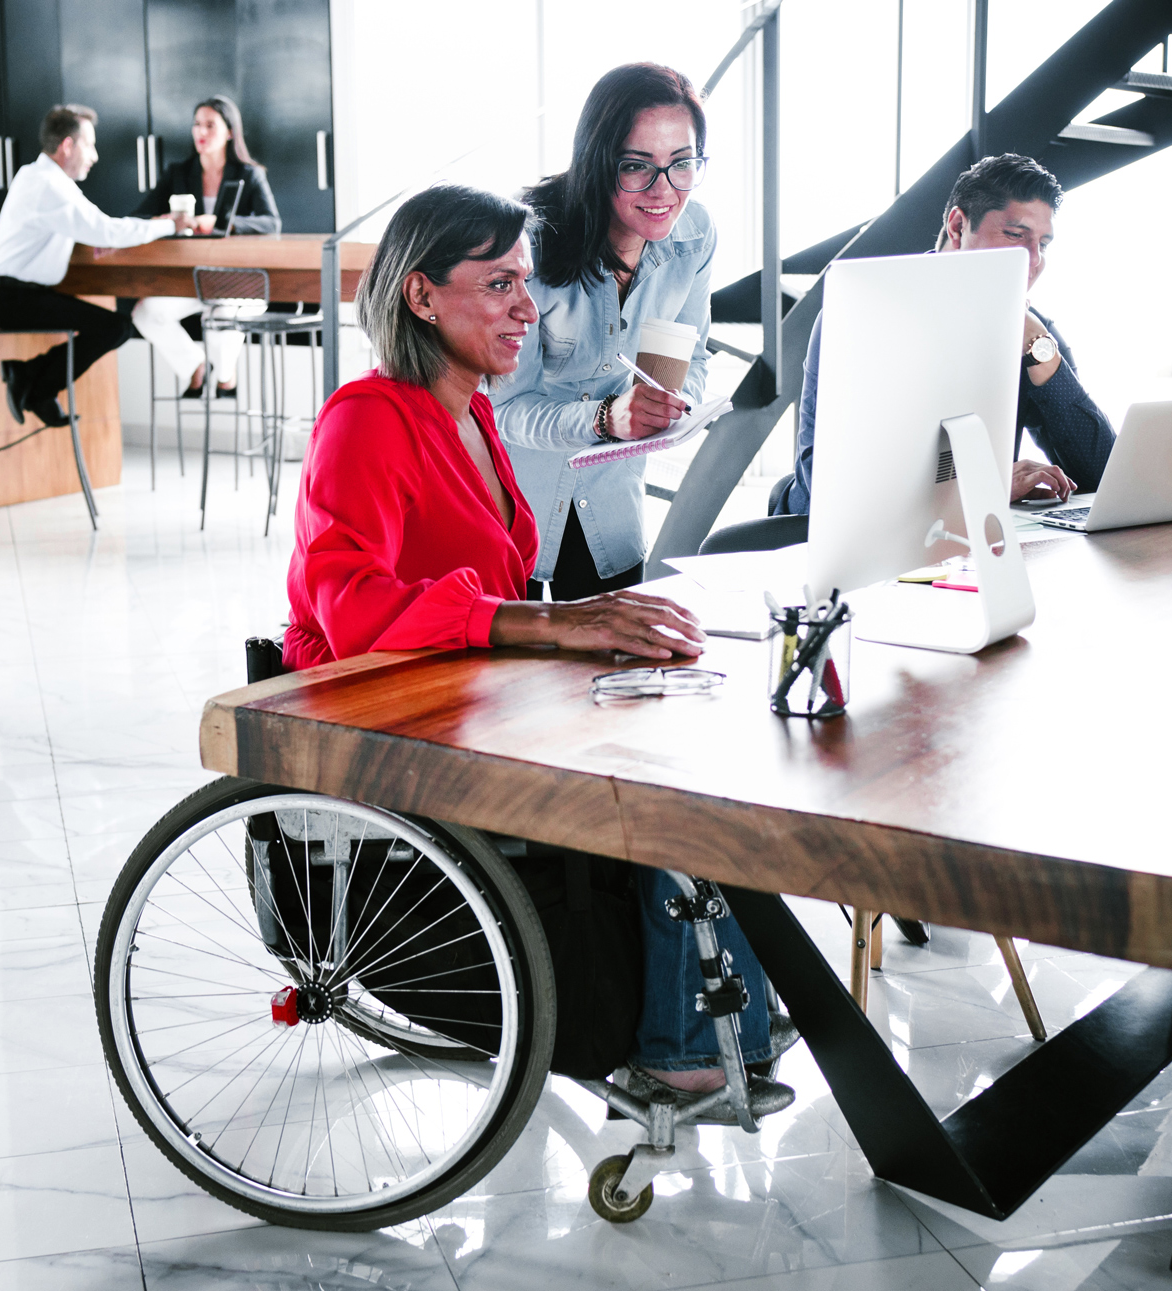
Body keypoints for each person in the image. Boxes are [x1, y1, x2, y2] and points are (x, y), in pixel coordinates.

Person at [284, 183, 789, 1105]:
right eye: (500, 284)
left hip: (473, 694)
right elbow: (352, 608)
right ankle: (684, 1044)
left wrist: (591, 634)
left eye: (526, 281)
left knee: (698, 723)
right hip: (397, 721)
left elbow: (497, 591)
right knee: (667, 782)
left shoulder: (474, 413)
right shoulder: (367, 418)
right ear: (420, 294)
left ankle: (726, 1008)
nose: (529, 307)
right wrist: (557, 624)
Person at [776, 152, 1117, 514]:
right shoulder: (862, 313)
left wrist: (1040, 351)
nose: (1034, 260)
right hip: (821, 537)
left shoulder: (1033, 335)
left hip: (963, 538)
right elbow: (829, 483)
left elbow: (1103, 475)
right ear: (957, 227)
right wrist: (986, 485)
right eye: (1016, 235)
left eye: (1043, 244)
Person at [493, 63, 714, 602]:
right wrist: (605, 418)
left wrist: (669, 404)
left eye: (682, 163)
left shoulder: (694, 235)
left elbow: (689, 360)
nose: (664, 190)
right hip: (513, 506)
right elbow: (503, 409)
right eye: (637, 166)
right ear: (598, 161)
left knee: (612, 651)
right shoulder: (526, 245)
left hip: (612, 508)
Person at [0, 104, 190, 428]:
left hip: (14, 296)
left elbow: (93, 228)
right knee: (116, 327)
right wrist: (170, 225)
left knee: (114, 327)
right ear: (68, 145)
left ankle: (29, 377)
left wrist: (100, 237)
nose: (94, 156)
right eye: (90, 145)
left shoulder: (37, 177)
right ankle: (32, 381)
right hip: (15, 299)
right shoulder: (49, 185)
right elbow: (105, 229)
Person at [131, 96, 282, 398]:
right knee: (145, 313)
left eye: (210, 125)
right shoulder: (178, 173)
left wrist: (223, 223)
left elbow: (271, 223)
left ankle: (226, 377)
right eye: (197, 124)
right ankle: (195, 367)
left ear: (229, 132)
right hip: (192, 278)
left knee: (220, 318)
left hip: (239, 280)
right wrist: (165, 220)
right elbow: (139, 217)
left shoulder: (249, 174)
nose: (201, 131)